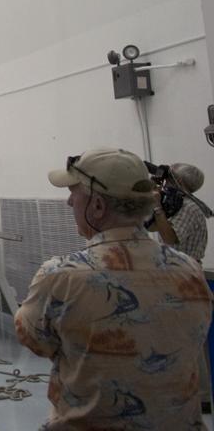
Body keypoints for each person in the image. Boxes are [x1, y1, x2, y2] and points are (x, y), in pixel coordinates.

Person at [16, 148, 213, 429]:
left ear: (97, 206)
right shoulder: (190, 273)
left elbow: (33, 339)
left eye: (74, 193)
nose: (69, 202)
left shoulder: (62, 277)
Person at [149, 162, 209, 264]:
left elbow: (169, 239)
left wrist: (157, 207)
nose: (165, 180)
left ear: (179, 182)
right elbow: (151, 227)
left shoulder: (188, 207)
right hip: (174, 266)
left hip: (184, 269)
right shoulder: (174, 203)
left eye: (169, 176)